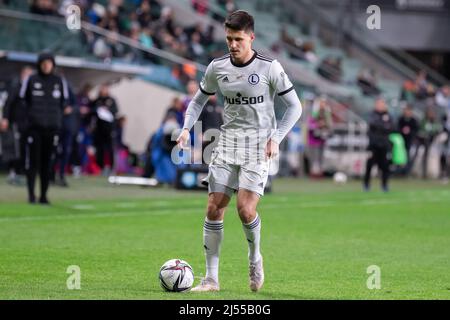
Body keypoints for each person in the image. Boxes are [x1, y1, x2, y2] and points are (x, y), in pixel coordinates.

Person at [177, 10, 302, 292]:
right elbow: (197, 101)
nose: (233, 45)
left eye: (238, 39)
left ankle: (255, 257)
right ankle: (211, 279)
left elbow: (295, 107)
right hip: (227, 144)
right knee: (213, 208)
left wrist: (277, 137)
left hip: (258, 147)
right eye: (229, 39)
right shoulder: (217, 67)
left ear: (251, 38)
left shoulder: (270, 68)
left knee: (245, 210)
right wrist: (186, 128)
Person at [19, 52, 69, 204]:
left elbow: (64, 103)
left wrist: (57, 121)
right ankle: (31, 195)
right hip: (34, 129)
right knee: (33, 162)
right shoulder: (31, 80)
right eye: (44, 62)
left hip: (52, 129)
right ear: (39, 64)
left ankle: (44, 195)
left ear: (53, 65)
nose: (47, 65)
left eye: (49, 62)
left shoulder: (59, 81)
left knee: (48, 163)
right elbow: (23, 101)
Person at [1, 66, 34, 185]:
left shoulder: (30, 90)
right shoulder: (15, 87)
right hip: (15, 123)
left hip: (27, 125)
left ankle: (19, 173)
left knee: (23, 149)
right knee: (14, 148)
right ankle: (12, 172)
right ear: (22, 75)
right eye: (27, 75)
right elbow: (8, 104)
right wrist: (5, 119)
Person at [363, 97, 395, 192]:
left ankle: (384, 185)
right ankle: (366, 185)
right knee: (369, 166)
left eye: (382, 104)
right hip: (373, 145)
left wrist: (382, 127)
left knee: (385, 166)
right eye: (379, 104)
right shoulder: (372, 114)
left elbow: (392, 127)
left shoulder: (388, 115)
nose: (381, 106)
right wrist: (384, 126)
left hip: (384, 145)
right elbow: (373, 125)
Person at [91, 83, 119, 176]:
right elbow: (92, 110)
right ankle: (100, 167)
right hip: (99, 130)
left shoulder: (112, 100)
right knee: (100, 149)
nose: (103, 90)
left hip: (109, 129)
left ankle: (111, 168)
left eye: (105, 88)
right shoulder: (97, 100)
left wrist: (107, 110)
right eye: (102, 88)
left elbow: (115, 111)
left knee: (110, 148)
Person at [397, 104, 419, 175]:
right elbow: (397, 129)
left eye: (409, 110)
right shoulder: (401, 119)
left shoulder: (413, 120)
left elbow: (416, 130)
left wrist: (410, 133)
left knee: (409, 157)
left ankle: (406, 172)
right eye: (406, 110)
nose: (407, 112)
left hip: (410, 141)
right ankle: (398, 172)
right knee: (400, 157)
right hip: (400, 142)